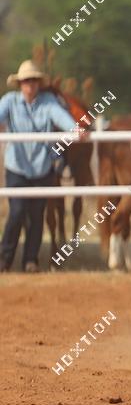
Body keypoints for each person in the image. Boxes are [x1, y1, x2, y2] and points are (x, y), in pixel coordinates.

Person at [0, 60, 84, 272]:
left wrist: (75, 130)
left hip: (42, 168)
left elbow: (62, 118)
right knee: (17, 211)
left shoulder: (48, 102)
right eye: (26, 81)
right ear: (20, 84)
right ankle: (4, 259)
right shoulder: (10, 101)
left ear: (39, 83)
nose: (30, 84)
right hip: (17, 167)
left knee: (37, 215)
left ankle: (31, 260)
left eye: (34, 80)